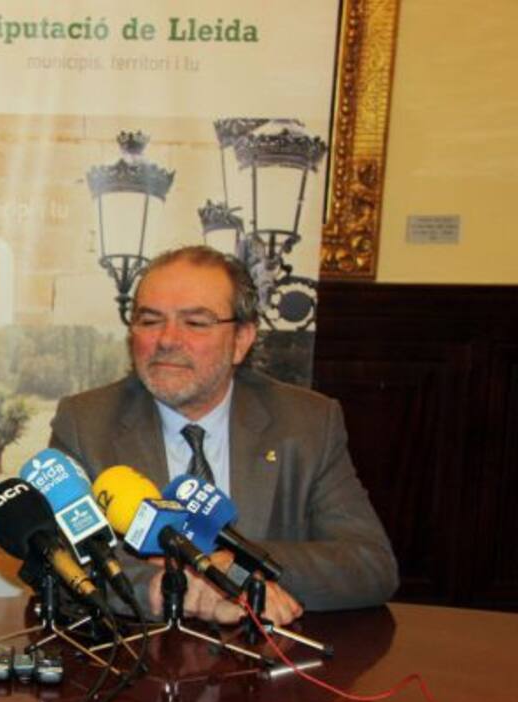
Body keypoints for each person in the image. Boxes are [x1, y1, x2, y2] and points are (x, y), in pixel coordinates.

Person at [50, 245, 397, 626]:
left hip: (266, 655)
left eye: (195, 323)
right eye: (149, 320)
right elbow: (58, 563)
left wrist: (238, 566)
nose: (166, 339)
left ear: (241, 340)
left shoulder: (306, 423)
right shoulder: (87, 423)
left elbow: (370, 565)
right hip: (146, 655)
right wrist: (166, 588)